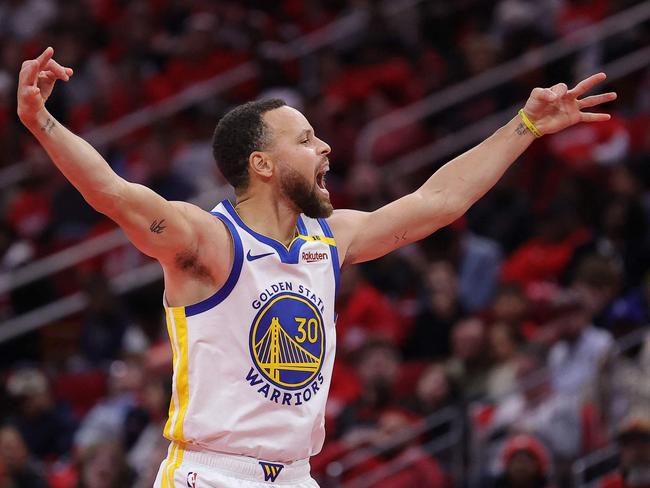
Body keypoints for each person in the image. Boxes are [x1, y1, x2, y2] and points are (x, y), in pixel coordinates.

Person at [16, 46, 616, 487]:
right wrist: (42, 120)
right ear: (264, 165)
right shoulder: (207, 240)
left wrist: (526, 125)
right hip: (212, 473)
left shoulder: (329, 237)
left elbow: (438, 203)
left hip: (298, 475)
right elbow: (113, 194)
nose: (324, 147)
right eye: (305, 140)